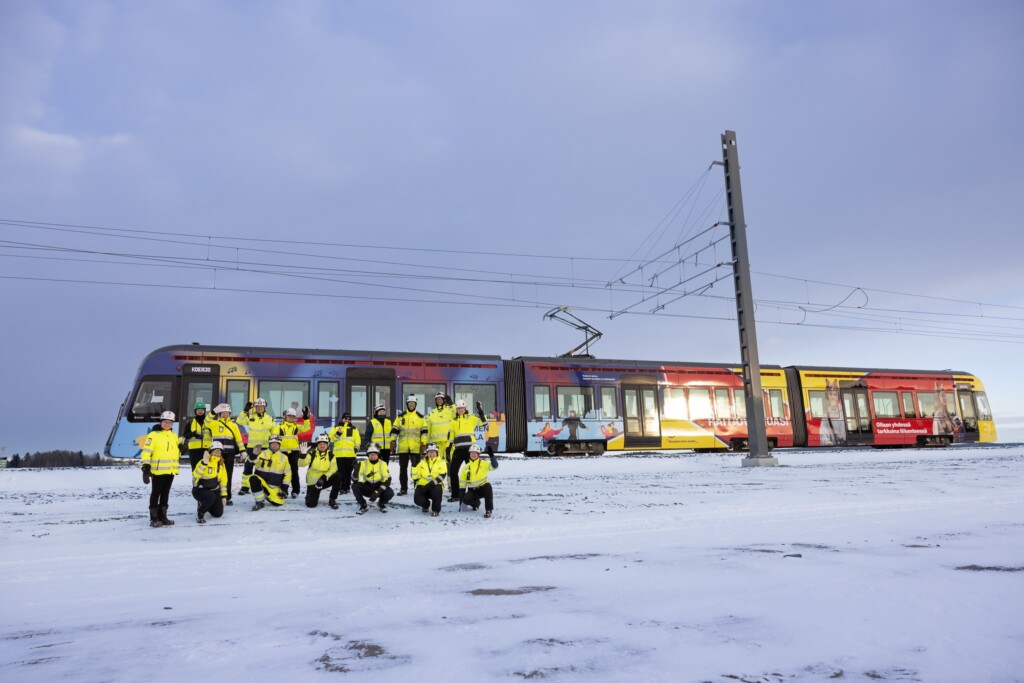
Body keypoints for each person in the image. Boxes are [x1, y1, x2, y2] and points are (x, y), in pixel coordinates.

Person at [141, 410, 181, 528]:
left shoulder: (174, 436)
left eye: (169, 422)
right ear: (161, 422)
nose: (167, 424)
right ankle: (154, 518)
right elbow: (146, 452)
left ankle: (163, 517)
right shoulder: (153, 435)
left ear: (172, 424)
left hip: (170, 471)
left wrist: (181, 449)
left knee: (165, 494)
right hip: (157, 471)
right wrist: (145, 467)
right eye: (165, 422)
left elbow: (174, 453)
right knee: (155, 494)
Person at [206, 403, 246, 505]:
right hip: (216, 454)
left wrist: (243, 451)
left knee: (228, 475)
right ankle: (215, 496)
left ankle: (227, 497)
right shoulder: (214, 423)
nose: (225, 414)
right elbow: (206, 421)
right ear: (219, 414)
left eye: (227, 413)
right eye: (223, 413)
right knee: (215, 475)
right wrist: (213, 411)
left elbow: (239, 440)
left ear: (229, 414)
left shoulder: (234, 425)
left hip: (229, 454)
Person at [236, 397, 274, 494]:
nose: (259, 408)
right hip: (251, 447)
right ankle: (245, 487)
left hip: (265, 447)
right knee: (248, 466)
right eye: (257, 406)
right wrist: (245, 411)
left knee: (263, 468)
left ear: (265, 407)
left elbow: (274, 433)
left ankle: (261, 486)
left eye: (261, 406)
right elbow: (239, 421)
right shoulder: (250, 417)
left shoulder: (270, 418)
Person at [391, 394, 427, 496]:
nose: (411, 405)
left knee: (416, 469)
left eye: (413, 403)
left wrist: (423, 444)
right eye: (409, 403)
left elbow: (424, 432)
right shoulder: (400, 417)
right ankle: (403, 489)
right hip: (403, 448)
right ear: (407, 404)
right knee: (403, 469)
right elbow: (394, 430)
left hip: (416, 448)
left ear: (415, 405)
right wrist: (392, 442)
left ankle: (417, 487)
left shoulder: (420, 418)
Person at [448, 399, 483, 502]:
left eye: (462, 408)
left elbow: (483, 423)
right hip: (458, 450)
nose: (460, 410)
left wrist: (480, 411)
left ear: (465, 408)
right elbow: (450, 436)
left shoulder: (471, 418)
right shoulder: (453, 421)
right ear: (456, 410)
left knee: (471, 472)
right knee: (453, 471)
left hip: (470, 450)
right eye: (458, 409)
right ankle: (455, 495)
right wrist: (447, 449)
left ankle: (472, 494)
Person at [272, 405, 311, 498]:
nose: (290, 418)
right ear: (285, 417)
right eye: (289, 416)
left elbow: (307, 427)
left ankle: (295, 491)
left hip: (294, 452)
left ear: (294, 418)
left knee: (294, 472)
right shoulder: (279, 427)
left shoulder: (296, 427)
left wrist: (306, 418)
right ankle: (283, 490)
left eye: (292, 417)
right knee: (282, 472)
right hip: (282, 452)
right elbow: (274, 439)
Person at [250, 434, 291, 510]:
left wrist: (284, 489)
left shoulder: (284, 457)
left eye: (276, 444)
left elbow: (288, 475)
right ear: (269, 444)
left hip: (274, 488)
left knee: (278, 503)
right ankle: (260, 502)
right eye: (273, 444)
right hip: (262, 483)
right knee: (253, 478)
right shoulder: (262, 454)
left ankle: (266, 495)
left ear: (279, 445)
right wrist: (253, 455)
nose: (275, 446)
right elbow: (249, 463)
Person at [192, 441, 228, 524]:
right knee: (210, 496)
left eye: (219, 451)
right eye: (215, 451)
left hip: (214, 490)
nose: (217, 453)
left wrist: (223, 496)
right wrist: (204, 464)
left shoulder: (221, 465)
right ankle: (200, 514)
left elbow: (223, 481)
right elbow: (196, 475)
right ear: (210, 452)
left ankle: (207, 504)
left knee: (218, 513)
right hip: (200, 490)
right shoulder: (203, 461)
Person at [353, 443, 393, 514]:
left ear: (378, 454)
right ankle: (363, 504)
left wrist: (378, 492)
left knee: (390, 493)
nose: (372, 456)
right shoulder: (362, 464)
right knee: (355, 486)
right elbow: (355, 480)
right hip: (367, 486)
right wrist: (356, 472)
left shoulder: (383, 464)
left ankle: (381, 503)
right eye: (370, 454)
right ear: (368, 455)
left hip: (379, 487)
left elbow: (388, 480)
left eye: (374, 454)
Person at [305, 433, 341, 509]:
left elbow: (333, 468)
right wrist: (302, 456)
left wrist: (324, 477)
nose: (322, 446)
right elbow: (301, 464)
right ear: (317, 445)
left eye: (324, 444)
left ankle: (332, 499)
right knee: (311, 504)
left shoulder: (331, 455)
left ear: (327, 445)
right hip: (314, 483)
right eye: (320, 444)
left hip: (324, 480)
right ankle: (310, 495)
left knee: (337, 476)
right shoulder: (312, 454)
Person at [328, 412, 361, 495]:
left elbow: (358, 440)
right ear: (342, 419)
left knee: (348, 471)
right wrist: (337, 434)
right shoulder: (336, 428)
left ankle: (347, 487)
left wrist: (356, 448)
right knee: (340, 472)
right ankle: (342, 487)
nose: (347, 420)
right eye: (345, 418)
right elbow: (331, 439)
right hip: (339, 455)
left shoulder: (354, 429)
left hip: (350, 454)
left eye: (349, 419)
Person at [412, 442, 448, 517]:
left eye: (433, 452)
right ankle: (426, 505)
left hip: (435, 485)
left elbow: (442, 476)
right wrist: (414, 467)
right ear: (427, 453)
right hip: (423, 485)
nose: (432, 454)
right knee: (417, 499)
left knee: (437, 490)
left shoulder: (441, 462)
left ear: (437, 453)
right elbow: (415, 477)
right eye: (430, 452)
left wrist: (430, 485)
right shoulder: (421, 463)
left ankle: (435, 509)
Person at [459, 443, 495, 518]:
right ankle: (476, 503)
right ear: (469, 454)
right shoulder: (466, 467)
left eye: (475, 453)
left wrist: (491, 456)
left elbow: (495, 466)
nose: (473, 454)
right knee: (466, 499)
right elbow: (462, 486)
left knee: (488, 487)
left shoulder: (484, 463)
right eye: (472, 453)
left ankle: (489, 510)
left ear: (478, 454)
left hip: (483, 488)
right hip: (472, 490)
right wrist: (461, 504)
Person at [426, 391, 454, 464]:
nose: (439, 401)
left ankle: (449, 475)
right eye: (437, 399)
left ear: (444, 400)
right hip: (436, 443)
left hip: (448, 442)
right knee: (437, 461)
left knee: (449, 460)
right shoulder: (432, 413)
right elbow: (428, 429)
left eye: (441, 399)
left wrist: (452, 404)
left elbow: (457, 413)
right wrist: (427, 442)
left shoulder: (449, 410)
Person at [185, 401, 212, 471]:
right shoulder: (190, 422)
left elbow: (214, 434)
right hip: (194, 450)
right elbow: (185, 435)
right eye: (198, 410)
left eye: (202, 410)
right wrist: (193, 434)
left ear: (204, 411)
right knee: (195, 469)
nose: (200, 411)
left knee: (206, 469)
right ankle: (196, 482)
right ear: (195, 411)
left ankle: (205, 482)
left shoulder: (209, 422)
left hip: (207, 449)